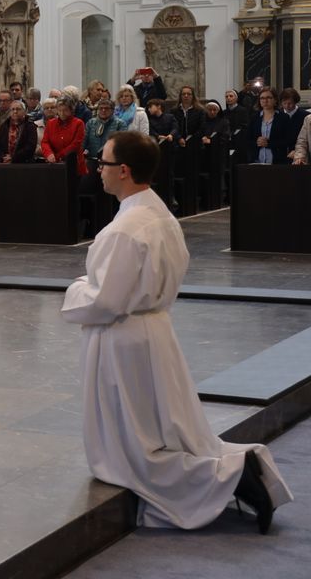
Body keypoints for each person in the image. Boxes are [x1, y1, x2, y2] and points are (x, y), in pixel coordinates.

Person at [63, 131, 292, 531]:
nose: (98, 169)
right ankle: (233, 471)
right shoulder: (161, 215)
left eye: (104, 162)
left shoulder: (124, 229)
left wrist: (77, 287)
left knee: (132, 451)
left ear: (124, 170)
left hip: (123, 339)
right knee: (161, 430)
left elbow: (105, 301)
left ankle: (232, 475)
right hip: (155, 331)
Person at [42, 96, 87, 174]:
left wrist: (57, 156)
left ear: (71, 110)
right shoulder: (51, 123)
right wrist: (49, 154)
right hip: (54, 165)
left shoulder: (78, 123)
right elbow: (45, 142)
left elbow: (75, 145)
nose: (62, 113)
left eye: (65, 110)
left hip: (74, 165)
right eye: (60, 110)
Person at [248, 86, 289, 164]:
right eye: (262, 98)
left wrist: (269, 143)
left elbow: (288, 140)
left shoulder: (283, 118)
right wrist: (257, 142)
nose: (265, 101)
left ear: (275, 100)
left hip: (277, 162)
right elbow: (248, 140)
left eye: (268, 98)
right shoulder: (254, 118)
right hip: (257, 161)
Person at [84, 98, 125, 171]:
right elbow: (84, 140)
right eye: (101, 108)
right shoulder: (91, 123)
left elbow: (121, 144)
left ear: (112, 110)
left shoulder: (120, 124)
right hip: (92, 159)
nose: (103, 110)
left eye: (106, 108)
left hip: (110, 162)